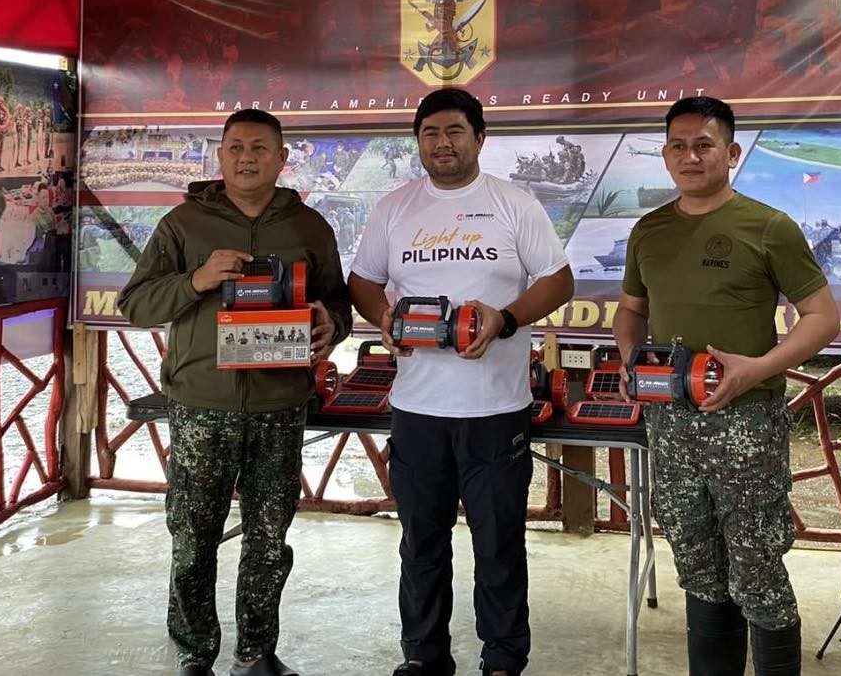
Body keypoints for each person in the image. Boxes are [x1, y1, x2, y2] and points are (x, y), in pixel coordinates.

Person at [347, 89, 574, 676]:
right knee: (421, 542)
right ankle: (424, 655)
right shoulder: (395, 208)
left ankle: (503, 658)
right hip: (418, 408)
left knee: (498, 543)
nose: (442, 144)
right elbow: (363, 280)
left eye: (454, 132)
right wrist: (382, 317)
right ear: (418, 142)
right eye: (430, 133)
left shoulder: (513, 204)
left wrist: (505, 320)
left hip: (496, 409)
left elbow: (558, 280)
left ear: (479, 138)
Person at [119, 109, 352, 676]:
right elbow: (136, 304)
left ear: (281, 158)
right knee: (193, 539)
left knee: (270, 541)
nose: (247, 158)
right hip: (201, 406)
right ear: (220, 156)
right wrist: (196, 280)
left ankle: (256, 655)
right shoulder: (183, 224)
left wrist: (332, 324)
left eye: (259, 148)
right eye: (236, 147)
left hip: (280, 406)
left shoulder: (309, 227)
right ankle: (194, 654)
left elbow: (337, 304)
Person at [612, 96, 840, 676]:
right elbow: (631, 311)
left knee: (757, 568)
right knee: (697, 564)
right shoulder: (648, 230)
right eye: (678, 146)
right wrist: (631, 361)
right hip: (670, 421)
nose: (690, 157)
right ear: (666, 155)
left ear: (731, 153)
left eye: (704, 145)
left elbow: (822, 319)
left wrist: (757, 369)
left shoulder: (769, 227)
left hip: (747, 421)